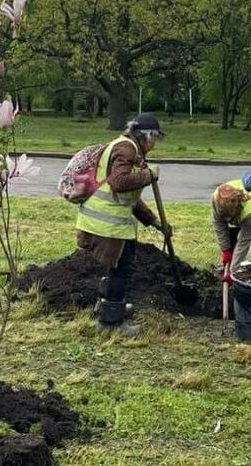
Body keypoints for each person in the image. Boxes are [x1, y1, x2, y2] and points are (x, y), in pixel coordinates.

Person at [75, 113, 169, 337]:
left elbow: (131, 198)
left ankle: (107, 305)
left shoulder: (128, 148)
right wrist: (148, 175)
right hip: (106, 223)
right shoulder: (126, 149)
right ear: (147, 135)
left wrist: (154, 222)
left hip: (108, 222)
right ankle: (110, 323)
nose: (155, 144)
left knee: (116, 265)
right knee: (121, 268)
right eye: (155, 138)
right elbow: (119, 183)